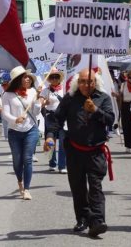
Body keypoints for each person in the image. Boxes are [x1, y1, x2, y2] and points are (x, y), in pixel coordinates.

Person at [50, 68, 114, 237]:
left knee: (95, 187)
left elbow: (111, 120)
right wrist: (50, 136)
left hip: (96, 151)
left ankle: (98, 221)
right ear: (77, 83)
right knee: (78, 188)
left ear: (96, 82)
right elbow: (57, 118)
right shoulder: (70, 98)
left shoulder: (103, 98)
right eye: (83, 81)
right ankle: (83, 218)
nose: (86, 84)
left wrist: (95, 110)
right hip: (74, 150)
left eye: (90, 81)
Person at [2, 66, 41, 200]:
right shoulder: (7, 95)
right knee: (17, 160)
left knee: (27, 159)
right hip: (14, 131)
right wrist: (15, 119)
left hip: (31, 129)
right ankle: (20, 180)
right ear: (18, 79)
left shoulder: (33, 92)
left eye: (29, 77)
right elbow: (5, 113)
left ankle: (27, 189)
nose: (28, 79)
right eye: (25, 77)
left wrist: (37, 100)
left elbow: (36, 112)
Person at [39, 68, 67, 173]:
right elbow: (39, 103)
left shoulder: (64, 89)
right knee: (51, 141)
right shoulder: (45, 90)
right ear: (49, 79)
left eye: (56, 77)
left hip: (63, 118)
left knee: (63, 142)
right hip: (50, 117)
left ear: (60, 78)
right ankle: (52, 163)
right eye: (52, 77)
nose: (54, 79)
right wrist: (44, 102)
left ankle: (62, 166)